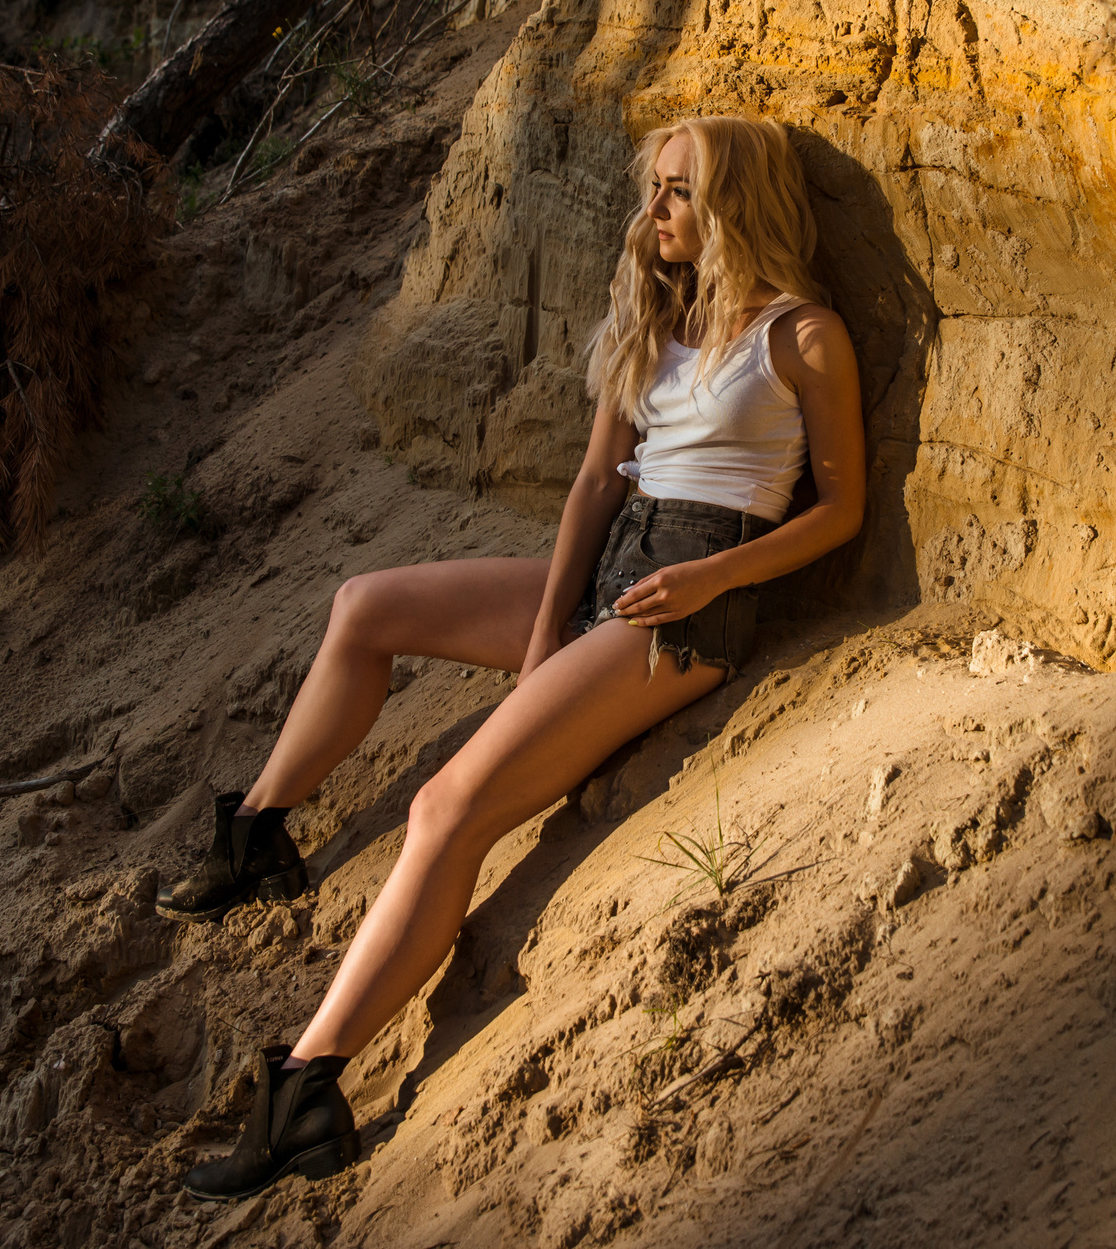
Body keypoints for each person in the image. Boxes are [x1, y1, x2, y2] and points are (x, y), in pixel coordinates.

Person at [161, 115, 868, 1201]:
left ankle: (306, 1090)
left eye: (678, 191)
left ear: (732, 202)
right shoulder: (660, 318)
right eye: (654, 188)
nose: (655, 211)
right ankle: (259, 831)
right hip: (610, 571)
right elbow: (594, 486)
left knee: (447, 806)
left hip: (687, 599)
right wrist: (546, 632)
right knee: (364, 603)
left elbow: (839, 510)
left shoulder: (801, 335)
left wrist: (714, 581)